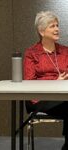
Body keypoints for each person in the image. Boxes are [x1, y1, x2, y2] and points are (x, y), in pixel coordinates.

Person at [23, 11, 68, 150]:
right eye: (52, 26)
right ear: (42, 31)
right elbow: (29, 82)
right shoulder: (32, 53)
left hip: (63, 97)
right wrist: (55, 82)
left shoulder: (65, 51)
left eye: (57, 25)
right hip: (39, 99)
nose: (57, 29)